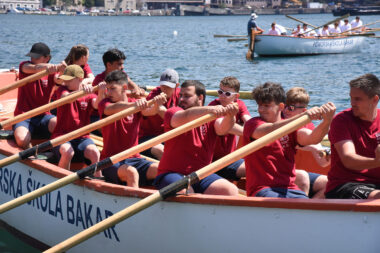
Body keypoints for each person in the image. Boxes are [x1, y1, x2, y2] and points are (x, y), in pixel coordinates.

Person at [243, 82, 336, 198]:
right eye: (259, 105)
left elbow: (313, 138)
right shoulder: (252, 124)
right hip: (263, 189)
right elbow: (270, 130)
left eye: (266, 106)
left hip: (289, 188)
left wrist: (326, 121)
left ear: (281, 107)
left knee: (328, 189)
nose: (261, 110)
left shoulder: (291, 128)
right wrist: (303, 117)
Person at [154, 80, 239, 196]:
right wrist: (211, 109)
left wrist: (231, 116)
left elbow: (223, 128)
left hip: (201, 175)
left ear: (200, 98)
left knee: (230, 190)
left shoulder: (211, 118)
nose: (181, 99)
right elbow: (186, 116)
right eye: (181, 95)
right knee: (187, 192)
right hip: (172, 173)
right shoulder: (173, 112)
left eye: (187, 96)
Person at [98, 70, 167, 188]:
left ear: (124, 88)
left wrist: (157, 104)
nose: (108, 92)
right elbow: (113, 108)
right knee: (132, 173)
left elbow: (150, 111)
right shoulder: (104, 103)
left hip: (135, 158)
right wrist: (134, 106)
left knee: (162, 171)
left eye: (112, 88)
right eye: (107, 88)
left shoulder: (135, 103)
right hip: (110, 161)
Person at [326, 73, 380, 199]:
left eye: (358, 99)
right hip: (345, 185)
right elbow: (348, 159)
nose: (352, 103)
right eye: (351, 98)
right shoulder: (341, 121)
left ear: (375, 99)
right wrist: (377, 162)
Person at [13, 42, 66, 149]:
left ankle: (55, 153)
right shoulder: (25, 66)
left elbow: (60, 81)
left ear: (47, 58)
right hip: (23, 116)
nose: (32, 59)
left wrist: (63, 71)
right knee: (22, 140)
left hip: (43, 116)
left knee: (61, 127)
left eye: (36, 57)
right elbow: (35, 68)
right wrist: (49, 66)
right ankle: (31, 155)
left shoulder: (52, 73)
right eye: (32, 56)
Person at [52, 65, 102, 173]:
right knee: (68, 152)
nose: (65, 83)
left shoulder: (89, 95)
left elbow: (97, 105)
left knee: (96, 153)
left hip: (82, 138)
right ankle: (62, 180)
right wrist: (82, 92)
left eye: (68, 80)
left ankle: (97, 182)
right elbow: (67, 98)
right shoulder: (62, 89)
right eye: (64, 80)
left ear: (79, 79)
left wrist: (101, 92)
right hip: (62, 136)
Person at [284, 87, 330, 199]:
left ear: (304, 111)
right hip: (280, 171)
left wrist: (330, 154)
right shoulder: (278, 120)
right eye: (284, 106)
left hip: (293, 171)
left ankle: (310, 210)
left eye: (291, 108)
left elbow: (323, 163)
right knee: (302, 178)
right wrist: (313, 147)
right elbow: (294, 140)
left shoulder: (308, 126)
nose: (285, 110)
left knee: (330, 184)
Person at [209, 76, 251, 180]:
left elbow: (249, 120)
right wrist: (253, 133)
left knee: (259, 167)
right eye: (220, 92)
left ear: (236, 96)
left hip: (229, 159)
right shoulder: (214, 106)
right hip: (211, 162)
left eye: (227, 94)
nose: (222, 96)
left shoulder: (239, 104)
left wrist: (258, 129)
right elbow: (227, 127)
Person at [139, 69, 181, 160]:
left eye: (168, 86)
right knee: (160, 150)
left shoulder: (180, 94)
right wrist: (156, 107)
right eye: (163, 85)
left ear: (177, 86)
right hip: (146, 137)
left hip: (167, 136)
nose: (164, 89)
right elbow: (145, 112)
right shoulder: (154, 95)